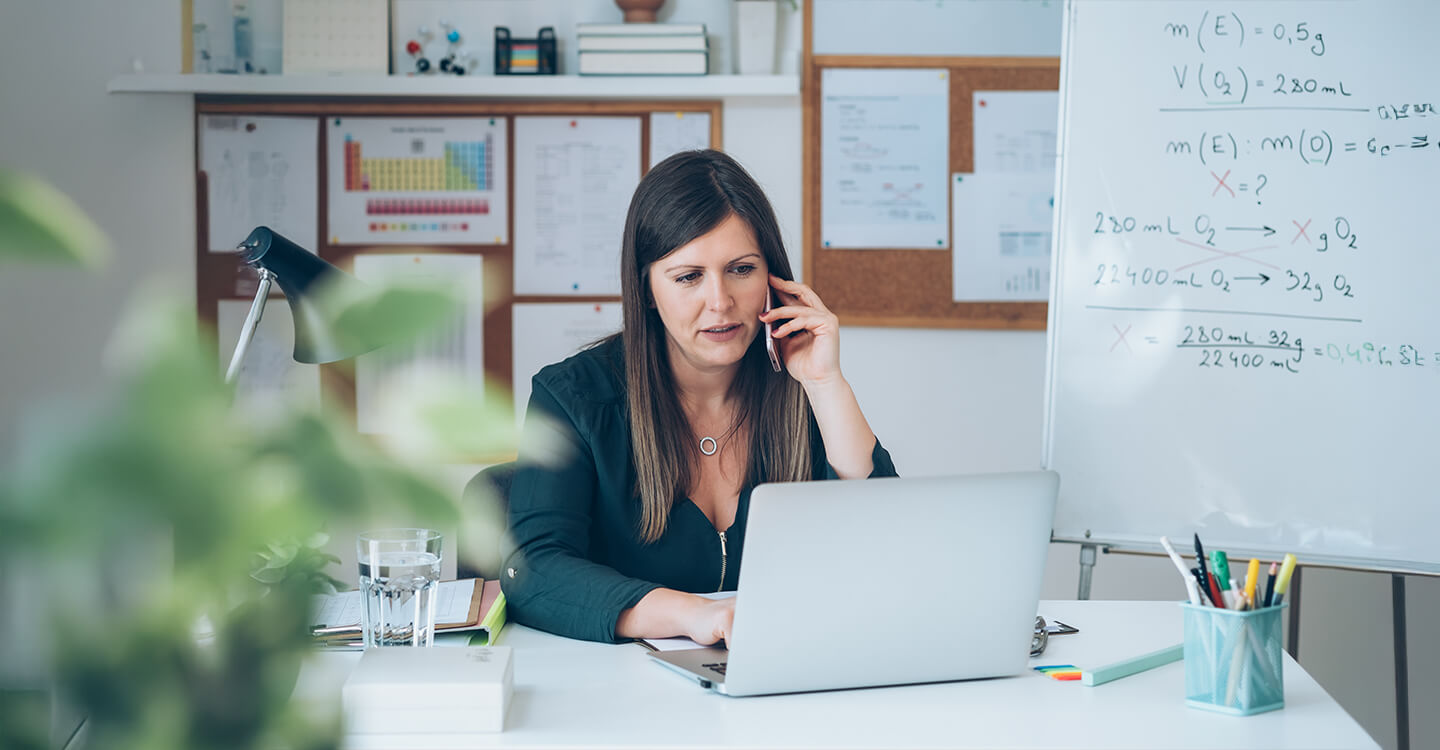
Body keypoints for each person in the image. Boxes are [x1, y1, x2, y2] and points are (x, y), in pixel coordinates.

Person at [500, 149, 897, 645]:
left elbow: (889, 542)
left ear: (773, 277)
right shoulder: (575, 398)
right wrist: (694, 617)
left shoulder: (802, 386)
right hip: (624, 694)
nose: (721, 301)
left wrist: (826, 384)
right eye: (689, 277)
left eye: (741, 269)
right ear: (646, 289)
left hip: (787, 683)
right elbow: (533, 571)